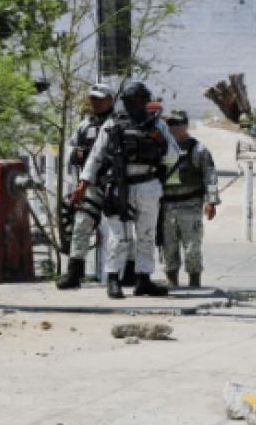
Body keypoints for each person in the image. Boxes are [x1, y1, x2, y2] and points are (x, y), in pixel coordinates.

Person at [72, 81, 181, 299]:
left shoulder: (157, 126)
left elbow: (174, 156)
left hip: (148, 185)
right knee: (117, 236)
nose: (135, 105)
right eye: (131, 101)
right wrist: (83, 185)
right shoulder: (113, 124)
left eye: (140, 101)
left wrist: (161, 144)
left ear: (146, 102)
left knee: (146, 235)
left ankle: (144, 280)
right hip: (119, 185)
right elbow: (96, 156)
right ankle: (113, 279)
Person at [55, 84, 118, 290]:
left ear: (110, 99)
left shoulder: (120, 123)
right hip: (89, 186)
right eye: (93, 98)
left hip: (116, 186)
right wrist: (76, 154)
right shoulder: (85, 125)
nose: (95, 102)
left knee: (120, 231)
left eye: (100, 98)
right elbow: (70, 151)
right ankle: (74, 274)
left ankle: (123, 274)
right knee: (81, 226)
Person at [159, 110, 219, 288]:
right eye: (170, 123)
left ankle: (194, 281)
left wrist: (211, 201)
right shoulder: (160, 148)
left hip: (190, 205)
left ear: (186, 125)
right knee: (168, 247)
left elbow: (210, 176)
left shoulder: (198, 150)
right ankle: (171, 280)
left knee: (192, 247)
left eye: (177, 123)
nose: (173, 127)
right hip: (166, 205)